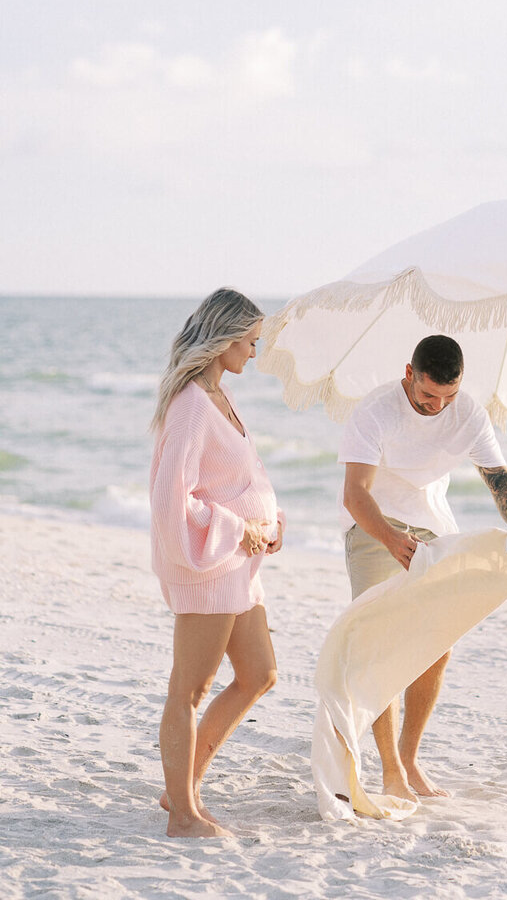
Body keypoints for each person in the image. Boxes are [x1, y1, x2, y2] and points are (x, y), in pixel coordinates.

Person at [339, 334, 507, 802]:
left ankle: (409, 758)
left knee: (437, 645)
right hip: (374, 528)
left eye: (448, 396)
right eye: (429, 395)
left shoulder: (466, 412)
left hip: (432, 529)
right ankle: (389, 769)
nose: (438, 406)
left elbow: (497, 478)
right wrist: (391, 539)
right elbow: (355, 494)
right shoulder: (375, 412)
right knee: (380, 647)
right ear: (409, 374)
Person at [149, 288, 285, 838]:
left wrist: (270, 525)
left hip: (239, 566)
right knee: (189, 689)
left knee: (259, 673)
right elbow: (169, 499)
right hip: (209, 568)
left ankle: (179, 787)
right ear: (226, 337)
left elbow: (235, 479)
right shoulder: (188, 405)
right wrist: (239, 529)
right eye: (251, 342)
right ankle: (184, 814)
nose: (255, 352)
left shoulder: (219, 396)